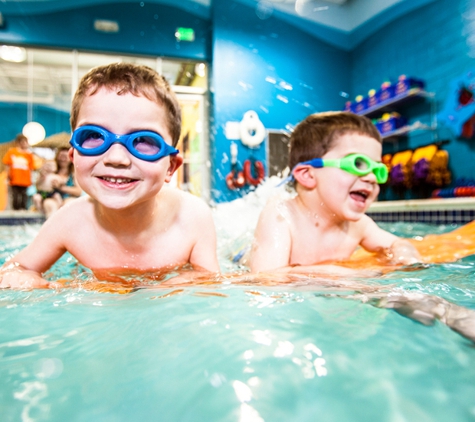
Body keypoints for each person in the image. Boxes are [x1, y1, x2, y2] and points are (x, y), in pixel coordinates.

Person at [0, 62, 219, 289]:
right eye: (93, 136)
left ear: (171, 167)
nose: (116, 158)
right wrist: (25, 278)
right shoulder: (69, 221)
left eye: (144, 141)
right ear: (74, 156)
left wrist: (161, 288)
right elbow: (16, 268)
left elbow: (208, 279)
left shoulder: (192, 217)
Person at [250, 111, 421, 274]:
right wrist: (335, 275)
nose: (371, 177)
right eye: (358, 164)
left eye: (378, 170)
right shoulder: (281, 216)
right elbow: (267, 278)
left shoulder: (359, 225)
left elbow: (397, 243)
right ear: (308, 175)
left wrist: (404, 253)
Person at [42, 147, 82, 218]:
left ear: (70, 158)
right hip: (53, 198)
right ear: (57, 157)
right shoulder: (52, 171)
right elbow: (41, 188)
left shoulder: (73, 173)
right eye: (61, 156)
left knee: (68, 204)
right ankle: (53, 227)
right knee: (49, 204)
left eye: (65, 157)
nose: (63, 159)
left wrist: (61, 188)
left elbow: (78, 191)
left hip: (68, 198)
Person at [2, 133, 36, 210]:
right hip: (14, 179)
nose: (23, 144)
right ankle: (15, 209)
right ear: (18, 143)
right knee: (15, 195)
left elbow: (31, 168)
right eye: (21, 142)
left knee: (24, 195)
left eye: (25, 142)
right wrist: (8, 175)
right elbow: (7, 164)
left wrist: (31, 179)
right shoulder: (12, 152)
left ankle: (23, 208)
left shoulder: (29, 154)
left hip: (25, 180)